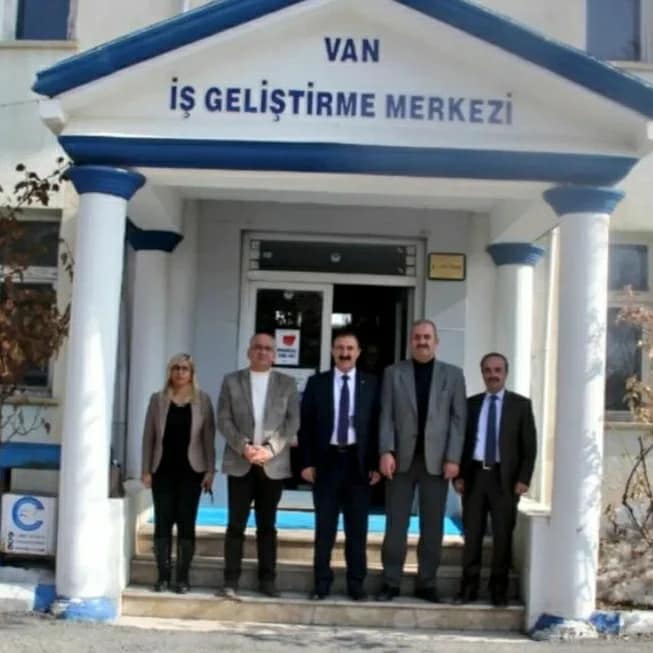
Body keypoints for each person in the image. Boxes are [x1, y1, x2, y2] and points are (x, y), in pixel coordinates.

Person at [376, 319, 466, 603]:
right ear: (410, 341)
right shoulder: (393, 373)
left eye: (427, 337)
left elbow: (458, 420)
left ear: (436, 342)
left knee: (432, 527)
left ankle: (427, 583)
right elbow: (386, 415)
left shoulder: (453, 375)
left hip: (437, 464)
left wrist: (453, 458)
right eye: (417, 337)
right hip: (400, 461)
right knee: (395, 526)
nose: (422, 341)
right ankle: (390, 581)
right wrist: (385, 451)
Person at [298, 331, 381, 601]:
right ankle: (321, 583)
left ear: (358, 352)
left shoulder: (372, 384)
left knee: (357, 529)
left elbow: (378, 426)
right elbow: (305, 426)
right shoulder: (317, 383)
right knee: (325, 528)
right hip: (327, 462)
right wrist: (306, 462)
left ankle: (356, 584)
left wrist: (376, 463)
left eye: (350, 348)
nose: (345, 353)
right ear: (333, 351)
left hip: (358, 463)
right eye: (340, 348)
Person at [217, 332, 300, 598]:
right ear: (249, 352)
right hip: (240, 461)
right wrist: (244, 447)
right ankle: (230, 580)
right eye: (257, 347)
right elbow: (223, 419)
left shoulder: (287, 383)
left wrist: (270, 449)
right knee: (235, 525)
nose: (262, 352)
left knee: (267, 526)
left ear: (274, 354)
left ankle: (267, 580)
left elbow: (292, 421)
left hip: (272, 464)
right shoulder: (231, 381)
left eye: (267, 348)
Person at [453, 352, 536, 606]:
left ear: (505, 373)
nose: (493, 375)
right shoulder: (471, 404)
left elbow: (529, 447)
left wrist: (523, 478)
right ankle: (469, 587)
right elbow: (461, 442)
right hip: (475, 476)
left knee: (503, 536)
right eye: (488, 370)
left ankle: (498, 589)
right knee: (472, 535)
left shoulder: (521, 406)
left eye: (498, 370)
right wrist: (459, 475)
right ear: (482, 373)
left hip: (505, 480)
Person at [141, 353, 216, 594]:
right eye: (175, 368)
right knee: (162, 522)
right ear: (169, 372)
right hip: (162, 470)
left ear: (192, 373)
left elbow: (208, 439)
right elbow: (149, 437)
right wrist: (145, 470)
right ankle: (163, 576)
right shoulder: (158, 400)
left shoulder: (203, 400)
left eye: (184, 368)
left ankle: (182, 578)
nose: (180, 372)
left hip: (191, 471)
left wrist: (210, 470)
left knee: (186, 522)